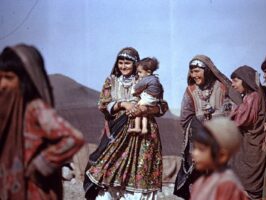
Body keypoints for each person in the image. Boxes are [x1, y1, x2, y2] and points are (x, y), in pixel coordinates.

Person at [0, 44, 84, 199]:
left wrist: (40, 165)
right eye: (0, 77)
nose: (3, 84)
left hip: (33, 190)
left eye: (9, 78)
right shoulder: (7, 108)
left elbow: (73, 138)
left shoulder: (35, 109)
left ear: (25, 80)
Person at [84, 47, 168, 200]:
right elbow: (103, 105)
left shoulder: (147, 79)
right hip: (117, 134)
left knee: (140, 174)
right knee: (108, 172)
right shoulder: (111, 80)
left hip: (143, 136)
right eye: (120, 63)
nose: (123, 66)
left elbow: (162, 106)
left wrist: (144, 109)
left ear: (136, 64)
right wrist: (123, 105)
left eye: (127, 63)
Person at [174, 55, 242, 199]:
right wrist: (199, 127)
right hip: (197, 140)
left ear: (207, 70)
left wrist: (217, 116)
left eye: (198, 71)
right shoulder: (190, 91)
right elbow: (185, 118)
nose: (194, 75)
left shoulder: (223, 87)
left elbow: (236, 110)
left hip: (221, 139)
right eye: (192, 72)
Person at [229, 65, 266, 199]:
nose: (233, 85)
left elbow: (241, 120)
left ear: (245, 80)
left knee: (248, 183)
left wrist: (231, 116)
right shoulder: (250, 96)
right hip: (250, 144)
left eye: (235, 80)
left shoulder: (254, 97)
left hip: (253, 147)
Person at [189, 117, 248, 200]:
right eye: (195, 148)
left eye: (201, 149)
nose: (194, 153)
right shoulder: (202, 181)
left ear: (222, 155)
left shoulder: (227, 186)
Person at [128, 57, 163, 134]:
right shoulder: (156, 79)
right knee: (145, 113)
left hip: (148, 98)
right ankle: (144, 128)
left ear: (148, 72)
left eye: (140, 72)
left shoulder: (146, 79)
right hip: (154, 100)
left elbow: (137, 87)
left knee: (138, 110)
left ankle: (137, 127)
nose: (138, 74)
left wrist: (134, 89)